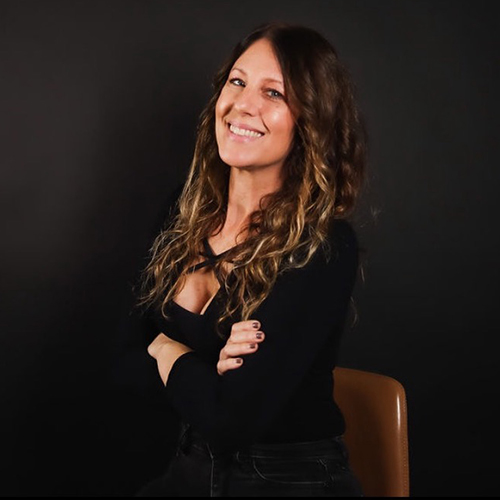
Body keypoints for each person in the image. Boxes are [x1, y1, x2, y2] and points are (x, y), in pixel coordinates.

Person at [135, 21, 367, 497]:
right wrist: (203, 367)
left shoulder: (323, 246)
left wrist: (164, 346)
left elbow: (230, 418)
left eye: (275, 94)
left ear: (310, 121)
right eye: (238, 81)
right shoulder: (185, 211)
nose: (244, 104)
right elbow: (122, 353)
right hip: (189, 465)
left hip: (288, 479)